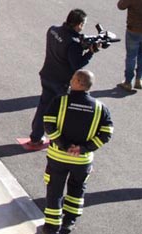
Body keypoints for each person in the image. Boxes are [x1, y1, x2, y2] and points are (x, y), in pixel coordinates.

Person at [40, 69, 113, 234]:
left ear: (78, 83)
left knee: (55, 190)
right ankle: (69, 221)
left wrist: (65, 145)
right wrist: (84, 149)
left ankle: (51, 227)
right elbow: (106, 134)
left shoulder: (60, 101)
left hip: (58, 157)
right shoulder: (101, 108)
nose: (70, 80)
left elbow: (48, 124)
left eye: (73, 78)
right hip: (82, 161)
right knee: (77, 189)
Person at [28, 9, 101, 150]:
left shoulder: (52, 30)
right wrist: (90, 52)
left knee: (43, 107)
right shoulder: (73, 43)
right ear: (79, 24)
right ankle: (57, 142)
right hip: (61, 82)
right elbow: (77, 65)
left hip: (47, 75)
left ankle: (35, 137)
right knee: (60, 113)